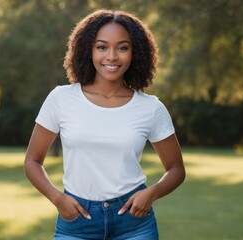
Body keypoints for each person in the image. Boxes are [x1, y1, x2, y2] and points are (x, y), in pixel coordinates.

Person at [24, 9, 185, 240]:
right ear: (87, 50)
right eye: (102, 47)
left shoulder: (151, 108)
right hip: (76, 221)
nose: (112, 56)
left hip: (134, 223)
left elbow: (176, 169)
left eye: (122, 47)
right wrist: (58, 199)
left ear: (135, 52)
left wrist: (152, 193)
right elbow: (32, 161)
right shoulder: (61, 98)